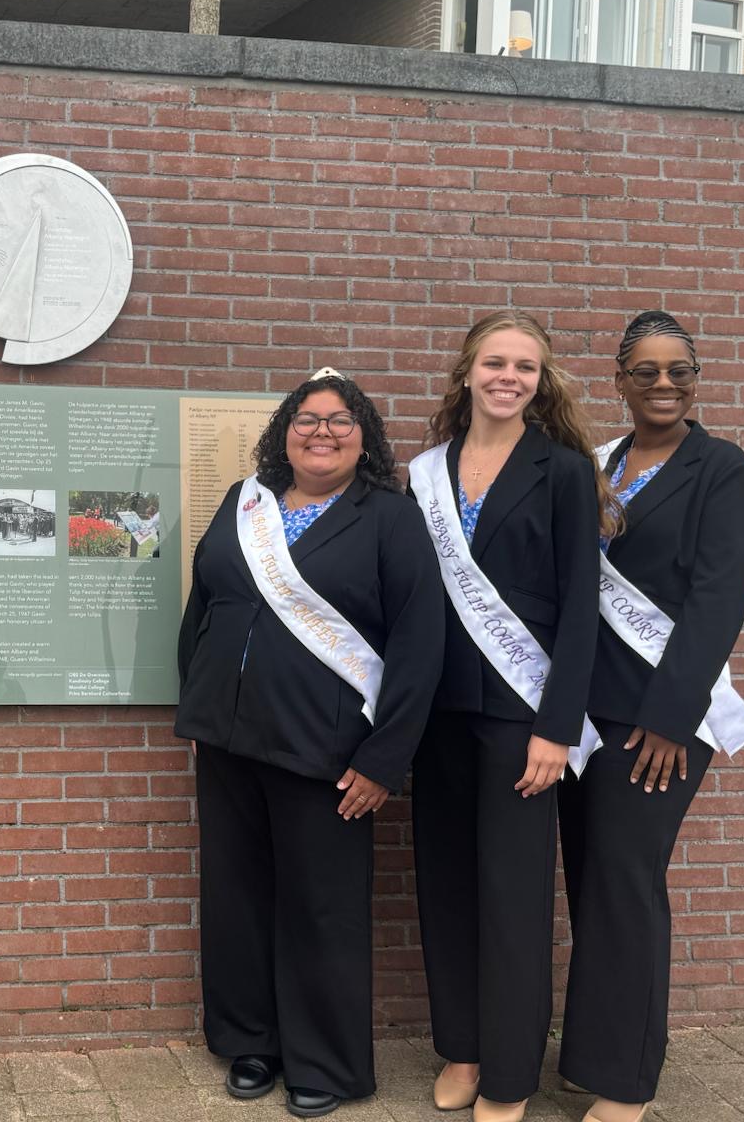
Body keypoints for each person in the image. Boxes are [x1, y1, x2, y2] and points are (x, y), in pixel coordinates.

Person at [176, 369, 444, 1118]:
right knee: (237, 897)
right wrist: (199, 710)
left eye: (340, 421)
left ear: (365, 439)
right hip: (229, 743)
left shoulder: (388, 517)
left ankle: (324, 1060)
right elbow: (206, 607)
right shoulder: (244, 504)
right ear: (283, 433)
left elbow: (421, 647)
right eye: (306, 419)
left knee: (320, 907)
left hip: (328, 753)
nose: (321, 431)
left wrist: (383, 759)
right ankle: (251, 1042)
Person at [406, 310, 612, 1122]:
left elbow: (580, 609)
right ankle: (463, 1047)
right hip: (440, 715)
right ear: (466, 372)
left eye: (526, 367)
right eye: (495, 362)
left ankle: (510, 1075)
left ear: (541, 380)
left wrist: (557, 728)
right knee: (446, 886)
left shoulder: (562, 470)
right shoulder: (426, 471)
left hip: (522, 719)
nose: (509, 377)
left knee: (516, 899)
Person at [558, 312, 744, 1122]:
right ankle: (594, 1054)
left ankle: (628, 1083)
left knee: (627, 886)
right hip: (583, 714)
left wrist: (674, 718)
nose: (664, 384)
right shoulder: (597, 462)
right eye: (645, 371)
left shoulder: (722, 469)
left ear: (696, 378)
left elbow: (719, 599)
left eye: (679, 369)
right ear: (618, 381)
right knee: (592, 884)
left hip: (659, 721)